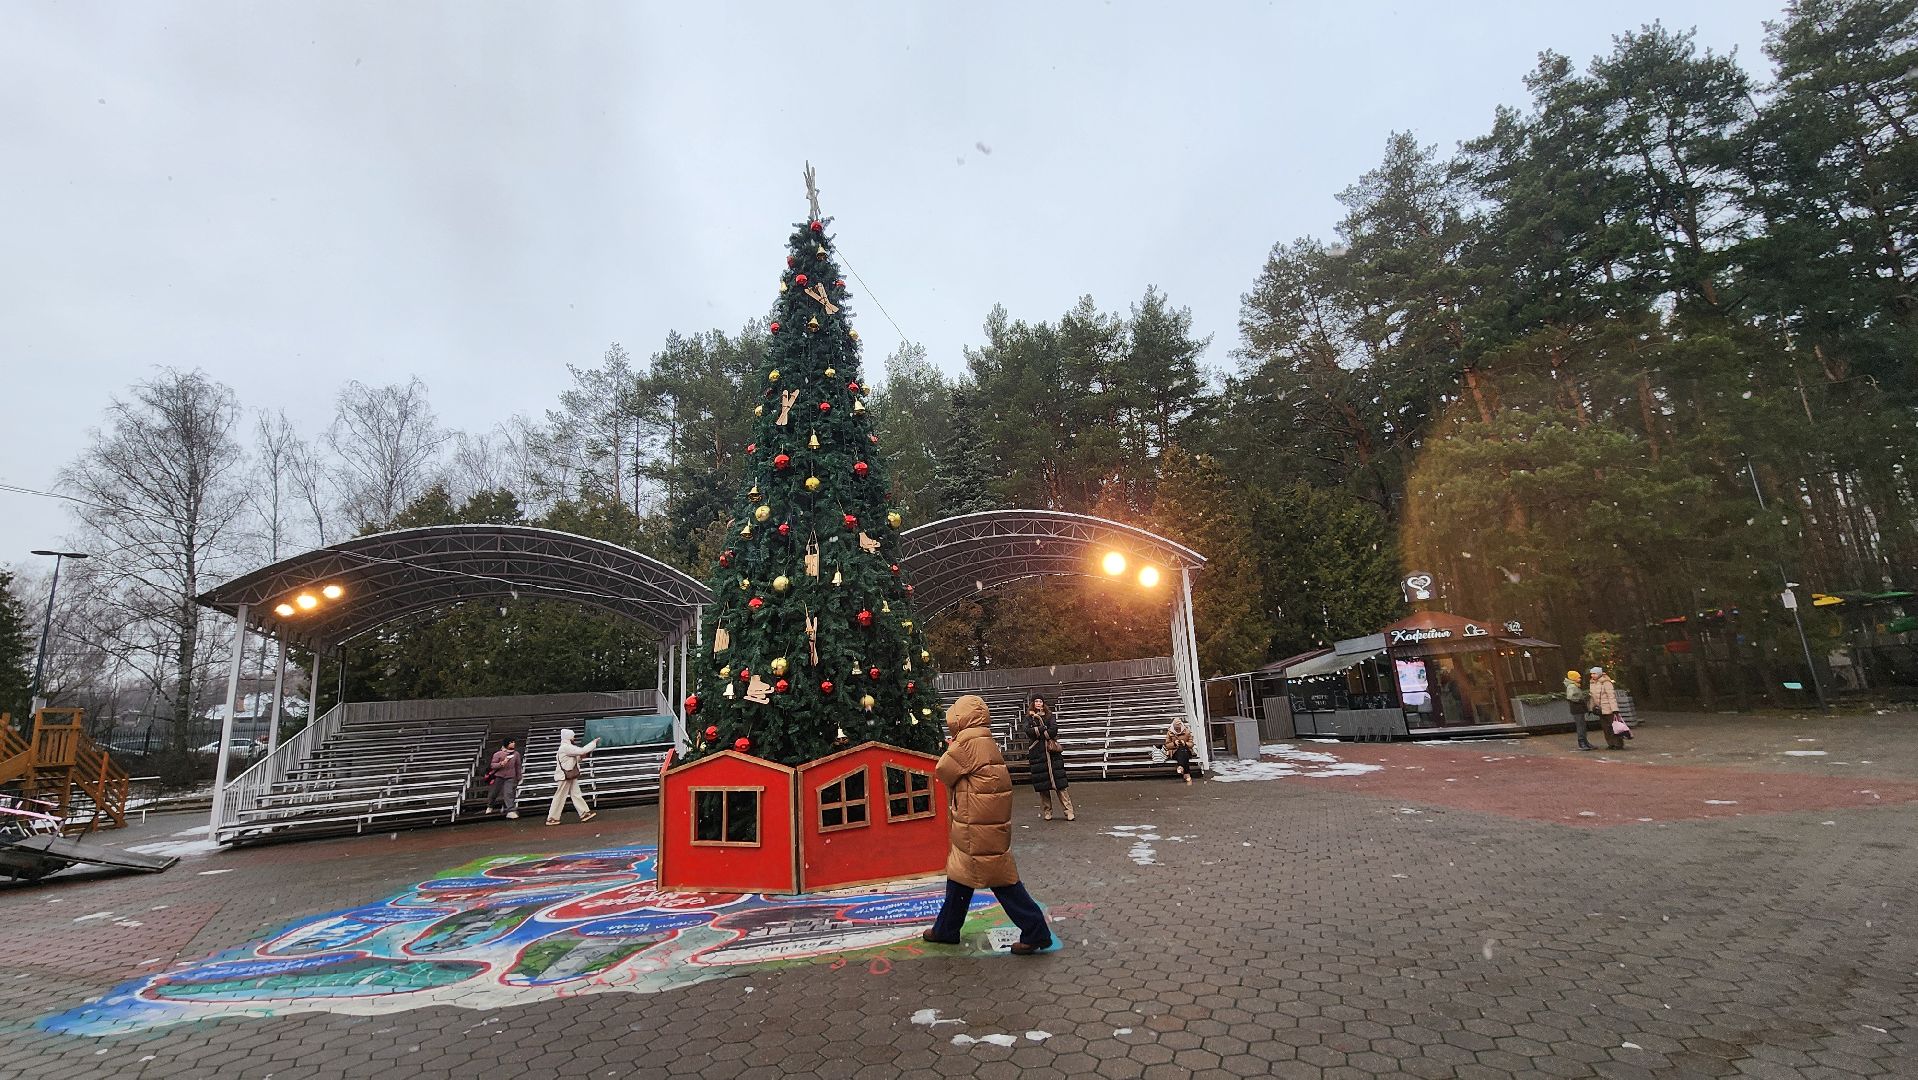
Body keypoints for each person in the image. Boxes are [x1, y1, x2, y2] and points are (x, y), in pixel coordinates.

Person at [922, 695, 1055, 955]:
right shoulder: (984, 738)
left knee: (1001, 881)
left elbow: (943, 771)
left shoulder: (966, 742)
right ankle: (946, 929)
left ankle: (1036, 930)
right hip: (984, 819)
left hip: (977, 823)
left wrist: (950, 748)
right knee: (961, 876)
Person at [1023, 695, 1073, 821]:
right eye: (1036, 701)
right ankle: (1047, 812)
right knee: (1043, 787)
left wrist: (1040, 732)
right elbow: (1028, 731)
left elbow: (1054, 730)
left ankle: (1069, 811)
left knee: (1060, 786)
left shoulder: (1050, 715)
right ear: (1033, 703)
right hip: (1038, 754)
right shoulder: (1029, 717)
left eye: (1040, 701)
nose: (1038, 703)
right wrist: (1043, 728)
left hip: (1052, 754)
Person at [545, 728, 601, 826]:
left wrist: (581, 757)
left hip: (568, 775)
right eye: (573, 736)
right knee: (561, 796)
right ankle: (552, 818)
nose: (574, 738)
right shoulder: (566, 747)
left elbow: (575, 758)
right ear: (569, 737)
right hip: (565, 776)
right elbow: (582, 750)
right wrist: (593, 743)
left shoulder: (566, 747)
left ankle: (584, 813)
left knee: (575, 794)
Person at [1587, 666, 1627, 750]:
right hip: (1600, 709)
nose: (1592, 675)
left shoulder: (1606, 682)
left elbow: (1611, 696)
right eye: (1591, 674)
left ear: (1599, 673)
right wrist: (1591, 708)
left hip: (1608, 708)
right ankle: (1610, 743)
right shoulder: (1592, 683)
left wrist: (1614, 709)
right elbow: (1592, 697)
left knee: (1614, 727)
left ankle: (1618, 744)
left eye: (1594, 673)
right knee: (1605, 728)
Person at [485, 738, 522, 819]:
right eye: (511, 742)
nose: (513, 744)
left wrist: (519, 776)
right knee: (494, 793)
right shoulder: (498, 754)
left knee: (509, 793)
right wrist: (501, 764)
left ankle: (510, 810)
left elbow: (518, 766)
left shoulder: (516, 754)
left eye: (513, 742)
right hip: (499, 776)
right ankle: (490, 805)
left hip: (510, 776)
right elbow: (492, 765)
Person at [1164, 718, 1201, 784]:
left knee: (1183, 749)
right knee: (1182, 750)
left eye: (1179, 728)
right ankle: (1186, 774)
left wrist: (1185, 743)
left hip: (1186, 750)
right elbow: (1167, 745)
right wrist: (1174, 743)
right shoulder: (1169, 732)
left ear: (1181, 726)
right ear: (1173, 727)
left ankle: (1181, 766)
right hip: (1175, 752)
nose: (1178, 730)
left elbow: (1191, 744)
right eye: (1176, 729)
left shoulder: (1186, 731)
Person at [1565, 670, 1593, 751]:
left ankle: (1585, 742)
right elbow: (1571, 697)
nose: (1580, 679)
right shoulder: (1572, 686)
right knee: (1581, 726)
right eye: (1578, 677)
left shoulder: (1574, 686)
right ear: (1574, 678)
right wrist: (1580, 700)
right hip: (1577, 708)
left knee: (1582, 726)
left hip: (1578, 708)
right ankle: (1582, 743)